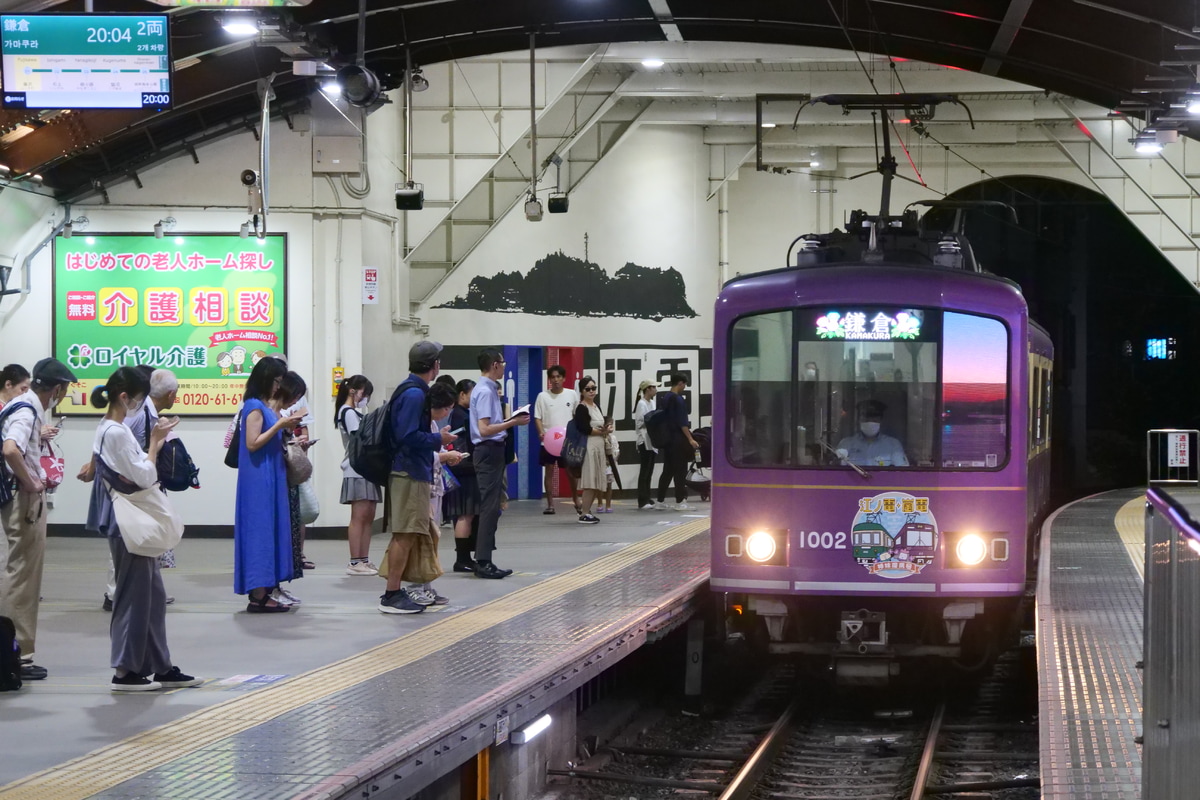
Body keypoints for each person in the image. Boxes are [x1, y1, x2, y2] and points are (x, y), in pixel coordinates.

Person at [84, 366, 202, 692]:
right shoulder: (116, 433)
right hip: (129, 521)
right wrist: (155, 444)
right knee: (133, 597)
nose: (142, 404)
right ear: (126, 397)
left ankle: (160, 665)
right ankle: (125, 671)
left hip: (128, 518)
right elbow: (145, 476)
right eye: (139, 398)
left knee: (152, 595)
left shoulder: (109, 428)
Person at [0, 357, 74, 682]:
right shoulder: (28, 409)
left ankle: (14, 652)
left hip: (18, 497)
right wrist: (31, 481)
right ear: (56, 389)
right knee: (23, 578)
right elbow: (10, 449)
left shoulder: (21, 405)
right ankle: (17, 655)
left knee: (20, 574)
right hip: (24, 500)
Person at [379, 342, 456, 613]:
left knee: (411, 532)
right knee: (405, 533)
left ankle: (401, 589)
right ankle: (391, 594)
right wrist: (438, 439)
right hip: (408, 471)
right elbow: (407, 436)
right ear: (434, 365)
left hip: (412, 470)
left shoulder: (413, 390)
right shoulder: (414, 394)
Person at [233, 357, 302, 612]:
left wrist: (286, 428)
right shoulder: (253, 406)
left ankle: (266, 588)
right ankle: (258, 594)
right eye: (277, 381)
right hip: (258, 477)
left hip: (270, 473)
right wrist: (280, 425)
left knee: (270, 529)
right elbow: (252, 443)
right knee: (259, 532)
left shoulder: (263, 406)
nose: (278, 387)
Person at [469, 347, 529, 578]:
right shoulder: (485, 391)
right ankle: (483, 561)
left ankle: (485, 558)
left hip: (491, 450)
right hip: (488, 450)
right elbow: (484, 429)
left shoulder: (487, 389)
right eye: (502, 363)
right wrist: (512, 423)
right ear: (495, 365)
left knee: (493, 506)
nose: (504, 367)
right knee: (489, 507)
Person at [407, 385, 465, 607]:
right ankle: (414, 586)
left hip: (434, 486)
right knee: (421, 536)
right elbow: (420, 453)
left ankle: (426, 584)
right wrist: (445, 455)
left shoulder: (431, 424)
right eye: (447, 408)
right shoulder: (419, 423)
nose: (447, 413)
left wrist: (447, 453)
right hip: (422, 484)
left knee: (432, 536)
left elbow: (434, 451)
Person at [336, 374, 380, 576]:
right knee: (359, 516)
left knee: (368, 515)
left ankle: (364, 559)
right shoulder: (347, 412)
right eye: (365, 393)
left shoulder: (355, 412)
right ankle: (355, 561)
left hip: (367, 468)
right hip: (356, 469)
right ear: (352, 390)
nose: (366, 398)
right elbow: (360, 439)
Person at [443, 378, 480, 573]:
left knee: (468, 514)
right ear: (462, 395)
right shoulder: (460, 416)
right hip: (464, 469)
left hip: (464, 468)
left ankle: (465, 557)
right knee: (465, 514)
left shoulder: (462, 413)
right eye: (472, 395)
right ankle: (462, 559)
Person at [534, 365, 579, 515]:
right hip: (549, 441)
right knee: (549, 470)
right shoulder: (542, 396)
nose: (556, 380)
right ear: (549, 379)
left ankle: (576, 500)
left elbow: (576, 416)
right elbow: (537, 417)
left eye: (558, 377)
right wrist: (541, 432)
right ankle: (550, 504)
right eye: (553, 377)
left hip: (567, 441)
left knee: (571, 471)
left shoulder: (572, 394)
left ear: (564, 378)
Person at [655, 372, 700, 511]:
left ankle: (660, 500)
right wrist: (690, 439)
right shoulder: (678, 399)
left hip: (667, 439)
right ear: (680, 383)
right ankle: (681, 501)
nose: (684, 387)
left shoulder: (665, 397)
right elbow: (682, 423)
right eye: (684, 384)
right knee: (680, 470)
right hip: (678, 439)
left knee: (667, 470)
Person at [572, 377, 608, 524]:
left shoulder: (596, 406)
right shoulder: (581, 408)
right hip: (588, 446)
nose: (591, 391)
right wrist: (602, 431)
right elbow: (584, 428)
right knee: (590, 481)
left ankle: (587, 511)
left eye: (594, 388)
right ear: (582, 391)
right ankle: (584, 513)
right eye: (588, 389)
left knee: (596, 481)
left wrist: (606, 429)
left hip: (598, 446)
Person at [836, 399, 909, 467]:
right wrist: (838, 460)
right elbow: (836, 471)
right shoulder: (846, 444)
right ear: (859, 419)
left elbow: (902, 472)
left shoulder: (893, 445)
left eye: (874, 417)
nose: (870, 420)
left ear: (881, 420)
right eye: (866, 417)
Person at [633, 379, 657, 510]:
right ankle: (642, 500)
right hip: (644, 439)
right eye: (654, 387)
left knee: (650, 470)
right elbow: (639, 423)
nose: (656, 390)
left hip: (652, 439)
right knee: (645, 470)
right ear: (648, 389)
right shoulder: (641, 404)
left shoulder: (652, 402)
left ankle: (647, 496)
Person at [598, 415, 618, 513]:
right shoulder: (600, 438)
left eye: (612, 424)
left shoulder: (613, 438)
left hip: (611, 464)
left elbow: (616, 449)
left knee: (609, 485)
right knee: (600, 486)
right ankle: (600, 503)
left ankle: (608, 504)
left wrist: (615, 457)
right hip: (602, 464)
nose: (611, 427)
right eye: (609, 424)